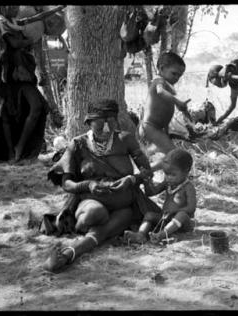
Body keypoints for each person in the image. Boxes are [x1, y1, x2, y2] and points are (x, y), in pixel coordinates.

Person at [43, 99, 161, 273]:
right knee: (94, 214)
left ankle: (68, 255)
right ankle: (81, 227)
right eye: (99, 126)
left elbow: (147, 171)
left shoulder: (126, 139)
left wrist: (132, 179)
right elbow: (66, 184)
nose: (106, 130)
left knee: (102, 232)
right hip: (91, 200)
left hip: (125, 203)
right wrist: (88, 184)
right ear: (88, 123)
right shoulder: (78, 144)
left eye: (111, 124)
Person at [0, 5, 48, 163]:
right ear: (4, 8)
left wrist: (56, 9)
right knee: (6, 114)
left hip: (23, 74)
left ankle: (20, 147)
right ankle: (10, 153)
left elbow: (35, 23)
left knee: (38, 106)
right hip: (5, 76)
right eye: (14, 6)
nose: (17, 8)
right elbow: (14, 44)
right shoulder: (1, 24)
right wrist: (29, 40)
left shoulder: (17, 22)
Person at [124, 148, 196, 243]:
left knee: (181, 215)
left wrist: (175, 211)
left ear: (186, 171)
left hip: (184, 223)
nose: (168, 177)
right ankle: (140, 235)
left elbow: (191, 208)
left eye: (173, 175)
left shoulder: (188, 187)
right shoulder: (167, 183)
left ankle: (161, 235)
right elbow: (151, 193)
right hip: (166, 219)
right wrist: (147, 181)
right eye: (166, 174)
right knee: (149, 215)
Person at [139, 51, 191, 170]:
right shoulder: (159, 81)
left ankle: (146, 172)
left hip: (157, 128)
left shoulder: (168, 86)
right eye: (174, 74)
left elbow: (165, 110)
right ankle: (143, 174)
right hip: (150, 127)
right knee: (173, 155)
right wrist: (178, 102)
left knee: (164, 155)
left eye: (179, 76)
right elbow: (160, 92)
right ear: (162, 69)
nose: (177, 78)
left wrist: (166, 132)